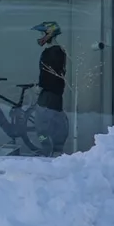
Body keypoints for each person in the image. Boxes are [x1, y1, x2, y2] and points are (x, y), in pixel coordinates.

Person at [33, 21, 69, 152]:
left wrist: (41, 86)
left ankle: (48, 149)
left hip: (49, 92)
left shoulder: (52, 52)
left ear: (49, 34)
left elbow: (50, 73)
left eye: (43, 33)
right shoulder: (58, 51)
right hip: (53, 92)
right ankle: (53, 148)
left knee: (42, 124)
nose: (41, 36)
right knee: (52, 122)